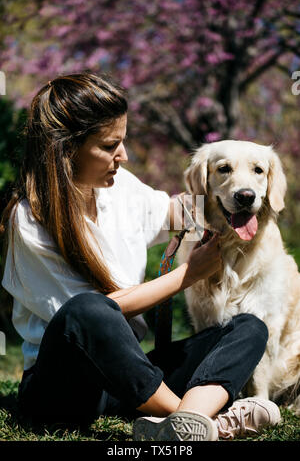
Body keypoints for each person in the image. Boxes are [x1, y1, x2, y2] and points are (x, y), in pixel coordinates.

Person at [0, 73, 281, 441]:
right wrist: (187, 275)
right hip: (64, 389)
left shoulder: (121, 187)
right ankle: (198, 420)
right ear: (66, 149)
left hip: (131, 381)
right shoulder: (30, 218)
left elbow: (177, 210)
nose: (124, 156)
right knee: (90, 309)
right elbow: (92, 320)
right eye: (110, 146)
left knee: (249, 328)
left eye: (124, 141)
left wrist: (230, 193)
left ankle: (186, 423)